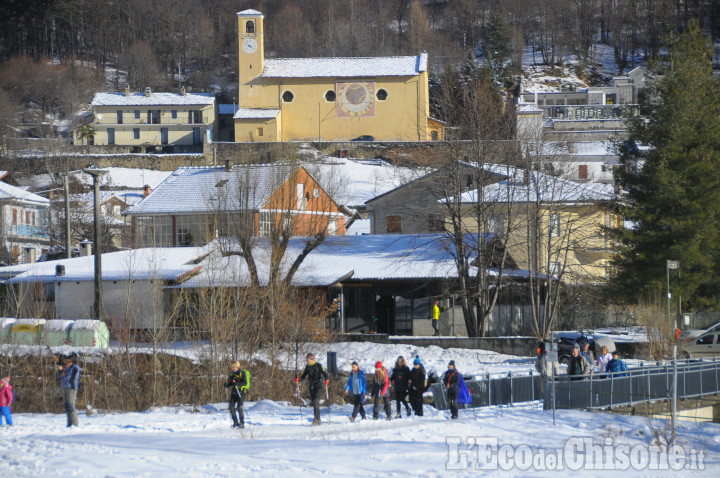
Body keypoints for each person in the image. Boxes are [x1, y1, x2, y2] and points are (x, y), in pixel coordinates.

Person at [296, 353, 328, 425]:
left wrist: (327, 379)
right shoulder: (307, 367)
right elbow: (303, 376)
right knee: (314, 402)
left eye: (308, 359)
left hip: (318, 384)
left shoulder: (318, 365)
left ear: (312, 359)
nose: (307, 361)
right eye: (306, 359)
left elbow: (325, 373)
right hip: (311, 385)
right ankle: (318, 419)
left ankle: (316, 419)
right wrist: (298, 380)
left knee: (316, 400)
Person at [55, 354, 80, 427]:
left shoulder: (75, 368)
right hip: (64, 387)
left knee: (71, 406)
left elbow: (70, 378)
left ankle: (75, 423)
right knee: (66, 406)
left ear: (73, 361)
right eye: (67, 361)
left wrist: (63, 373)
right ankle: (69, 423)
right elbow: (59, 376)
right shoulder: (66, 368)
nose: (67, 363)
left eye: (69, 361)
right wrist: (61, 370)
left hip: (71, 388)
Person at [224, 361, 249, 429]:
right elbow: (231, 383)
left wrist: (237, 383)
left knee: (239, 407)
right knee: (231, 407)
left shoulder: (242, 373)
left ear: (238, 367)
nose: (233, 368)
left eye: (235, 367)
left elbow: (245, 383)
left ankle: (242, 423)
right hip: (234, 392)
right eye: (232, 367)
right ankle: (235, 422)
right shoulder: (232, 374)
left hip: (241, 392)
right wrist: (227, 385)